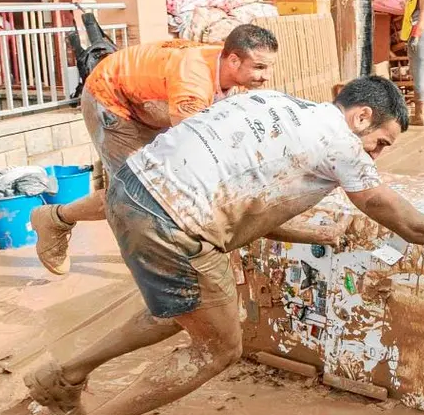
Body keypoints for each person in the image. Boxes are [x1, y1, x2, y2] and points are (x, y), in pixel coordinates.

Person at [25, 76, 424, 415]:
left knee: (180, 314)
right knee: (218, 348)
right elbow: (408, 223)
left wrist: (317, 237)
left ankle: (62, 377)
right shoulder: (342, 147)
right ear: (361, 118)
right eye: (382, 143)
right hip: (175, 223)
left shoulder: (274, 103)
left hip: (129, 192)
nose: (377, 155)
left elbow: (249, 205)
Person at [30, 24, 279, 274]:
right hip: (110, 100)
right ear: (234, 60)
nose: (266, 76)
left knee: (163, 187)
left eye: (268, 66)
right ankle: (55, 219)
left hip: (145, 105)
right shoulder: (193, 86)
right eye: (259, 67)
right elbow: (196, 154)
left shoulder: (219, 63)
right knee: (135, 194)